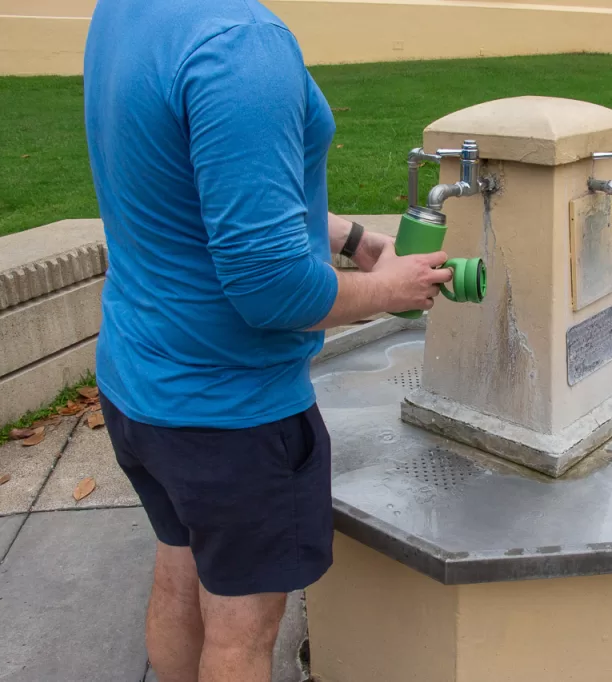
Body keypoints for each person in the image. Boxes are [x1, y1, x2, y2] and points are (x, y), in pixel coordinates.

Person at [83, 1, 452, 680]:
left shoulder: (132, 12)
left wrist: (348, 239)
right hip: (230, 417)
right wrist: (390, 290)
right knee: (239, 635)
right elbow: (274, 290)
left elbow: (199, 180)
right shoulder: (241, 44)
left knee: (179, 565)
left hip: (138, 384)